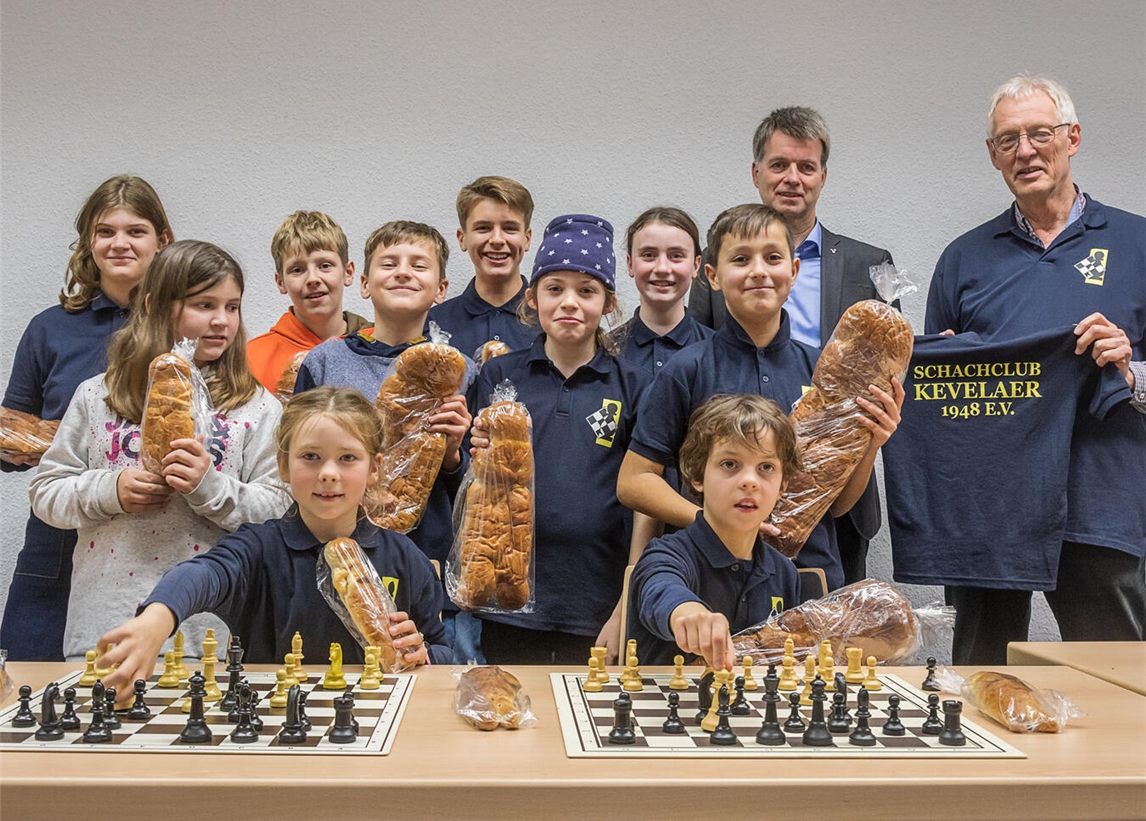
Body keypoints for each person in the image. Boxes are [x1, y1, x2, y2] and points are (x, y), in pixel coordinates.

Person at [926, 75, 1146, 664]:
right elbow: (943, 406)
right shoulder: (963, 258)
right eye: (1006, 140)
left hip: (1101, 503)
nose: (1024, 151)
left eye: (1039, 134)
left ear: (1072, 138)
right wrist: (945, 367)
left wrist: (1133, 373)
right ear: (993, 156)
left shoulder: (1138, 242)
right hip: (989, 510)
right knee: (978, 681)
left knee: (1120, 685)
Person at [617, 204, 903, 594]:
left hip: (807, 579)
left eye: (772, 257)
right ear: (713, 277)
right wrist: (708, 519)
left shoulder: (823, 371)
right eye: (740, 259)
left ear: (794, 271)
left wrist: (872, 443)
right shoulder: (688, 369)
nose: (758, 271)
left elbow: (836, 505)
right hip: (709, 581)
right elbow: (633, 481)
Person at [94, 386, 450, 698]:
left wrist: (423, 655)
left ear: (374, 468)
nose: (328, 473)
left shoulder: (405, 556)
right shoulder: (257, 547)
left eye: (348, 458)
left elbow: (442, 650)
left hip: (379, 720)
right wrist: (156, 619)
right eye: (310, 457)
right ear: (283, 465)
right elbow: (203, 575)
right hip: (272, 725)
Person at [28, 241, 290, 660]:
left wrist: (211, 488)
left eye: (232, 306)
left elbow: (280, 510)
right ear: (154, 305)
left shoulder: (256, 407)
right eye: (204, 305)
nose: (222, 321)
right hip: (105, 624)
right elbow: (46, 493)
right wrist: (111, 491)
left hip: (213, 633)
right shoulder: (98, 396)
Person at [689, 107, 895, 584]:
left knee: (828, 636)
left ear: (823, 175)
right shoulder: (721, 262)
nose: (792, 178)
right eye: (779, 165)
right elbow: (695, 346)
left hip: (836, 493)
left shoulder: (870, 264)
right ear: (757, 173)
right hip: (738, 481)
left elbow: (887, 369)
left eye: (806, 166)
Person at [0, 175, 173, 661]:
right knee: (29, 682)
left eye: (135, 231)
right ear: (87, 243)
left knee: (148, 692)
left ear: (162, 241)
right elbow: (17, 432)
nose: (119, 243)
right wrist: (18, 448)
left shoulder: (185, 326)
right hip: (58, 539)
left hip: (152, 540)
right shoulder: (49, 329)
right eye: (105, 231)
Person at [469, 215, 654, 665]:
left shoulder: (634, 384)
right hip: (509, 599)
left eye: (587, 291)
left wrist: (625, 602)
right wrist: (475, 451)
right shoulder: (499, 375)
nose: (570, 302)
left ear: (608, 303)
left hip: (597, 600)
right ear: (532, 299)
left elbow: (644, 500)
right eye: (555, 289)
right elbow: (475, 486)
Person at [294, 220, 476, 660]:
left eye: (419, 265)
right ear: (363, 283)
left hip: (427, 558)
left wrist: (452, 455)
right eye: (388, 263)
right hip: (336, 556)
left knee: (426, 672)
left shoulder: (463, 371)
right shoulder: (325, 361)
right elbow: (297, 462)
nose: (403, 272)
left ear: (441, 288)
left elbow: (474, 492)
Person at [628, 394, 801, 669]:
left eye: (766, 467)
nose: (749, 482)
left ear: (783, 485)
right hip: (668, 709)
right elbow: (660, 589)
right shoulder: (665, 554)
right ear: (697, 476)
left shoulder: (785, 573)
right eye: (730, 464)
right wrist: (688, 612)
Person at [246, 210, 370, 393]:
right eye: (297, 270)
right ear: (280, 282)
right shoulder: (252, 358)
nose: (313, 279)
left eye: (325, 266)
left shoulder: (377, 346)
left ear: (348, 272)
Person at [429, 176, 538, 360]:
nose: (497, 240)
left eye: (510, 228)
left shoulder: (552, 321)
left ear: (526, 239)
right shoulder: (434, 323)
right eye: (483, 228)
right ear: (462, 238)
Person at [607, 206, 714, 376]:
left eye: (676, 255)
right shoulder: (605, 351)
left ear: (696, 265)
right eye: (648, 255)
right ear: (630, 264)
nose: (662, 268)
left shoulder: (719, 351)